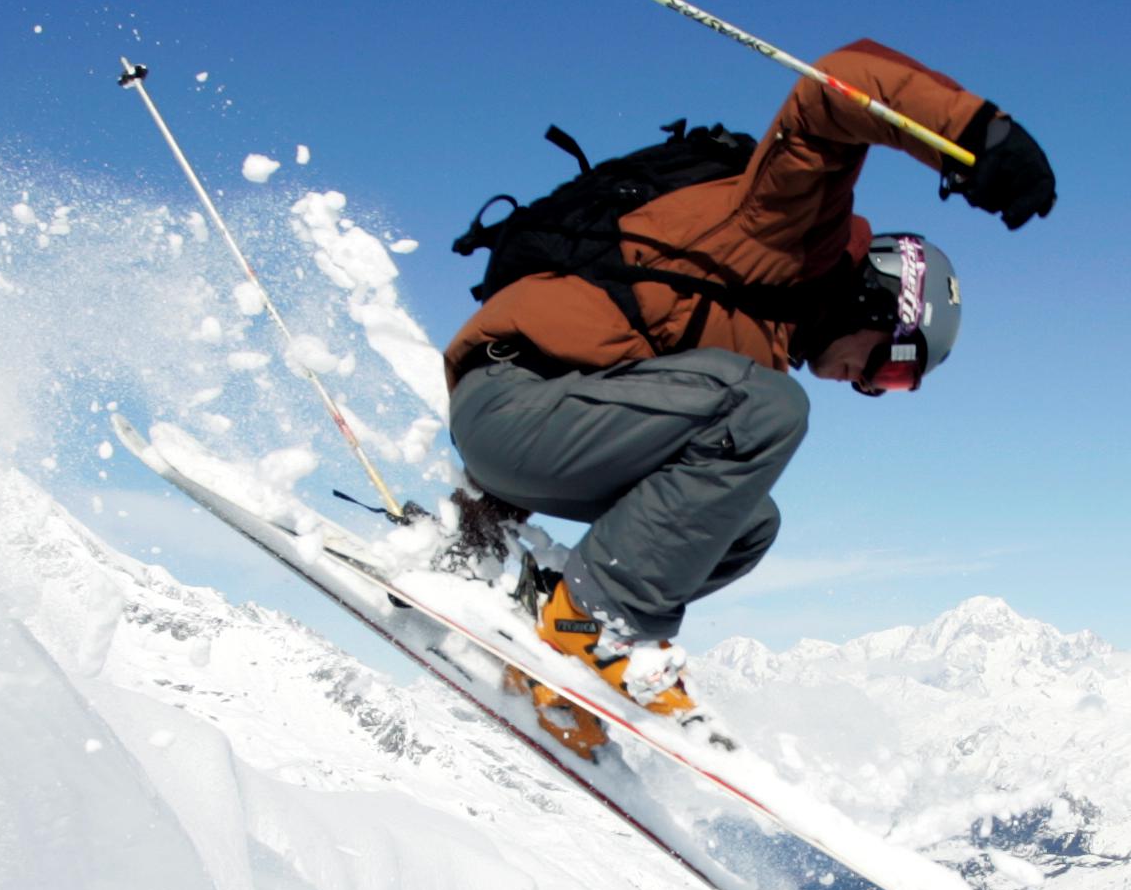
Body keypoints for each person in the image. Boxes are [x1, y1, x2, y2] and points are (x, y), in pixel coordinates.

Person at [441, 39, 1056, 752]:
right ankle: (592, 627)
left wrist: (471, 537)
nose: (869, 389)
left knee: (746, 522)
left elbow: (610, 396)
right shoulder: (784, 236)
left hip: (539, 428)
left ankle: (564, 613)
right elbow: (841, 85)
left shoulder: (758, 340)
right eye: (887, 368)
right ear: (878, 305)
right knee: (767, 411)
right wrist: (975, 135)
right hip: (508, 403)